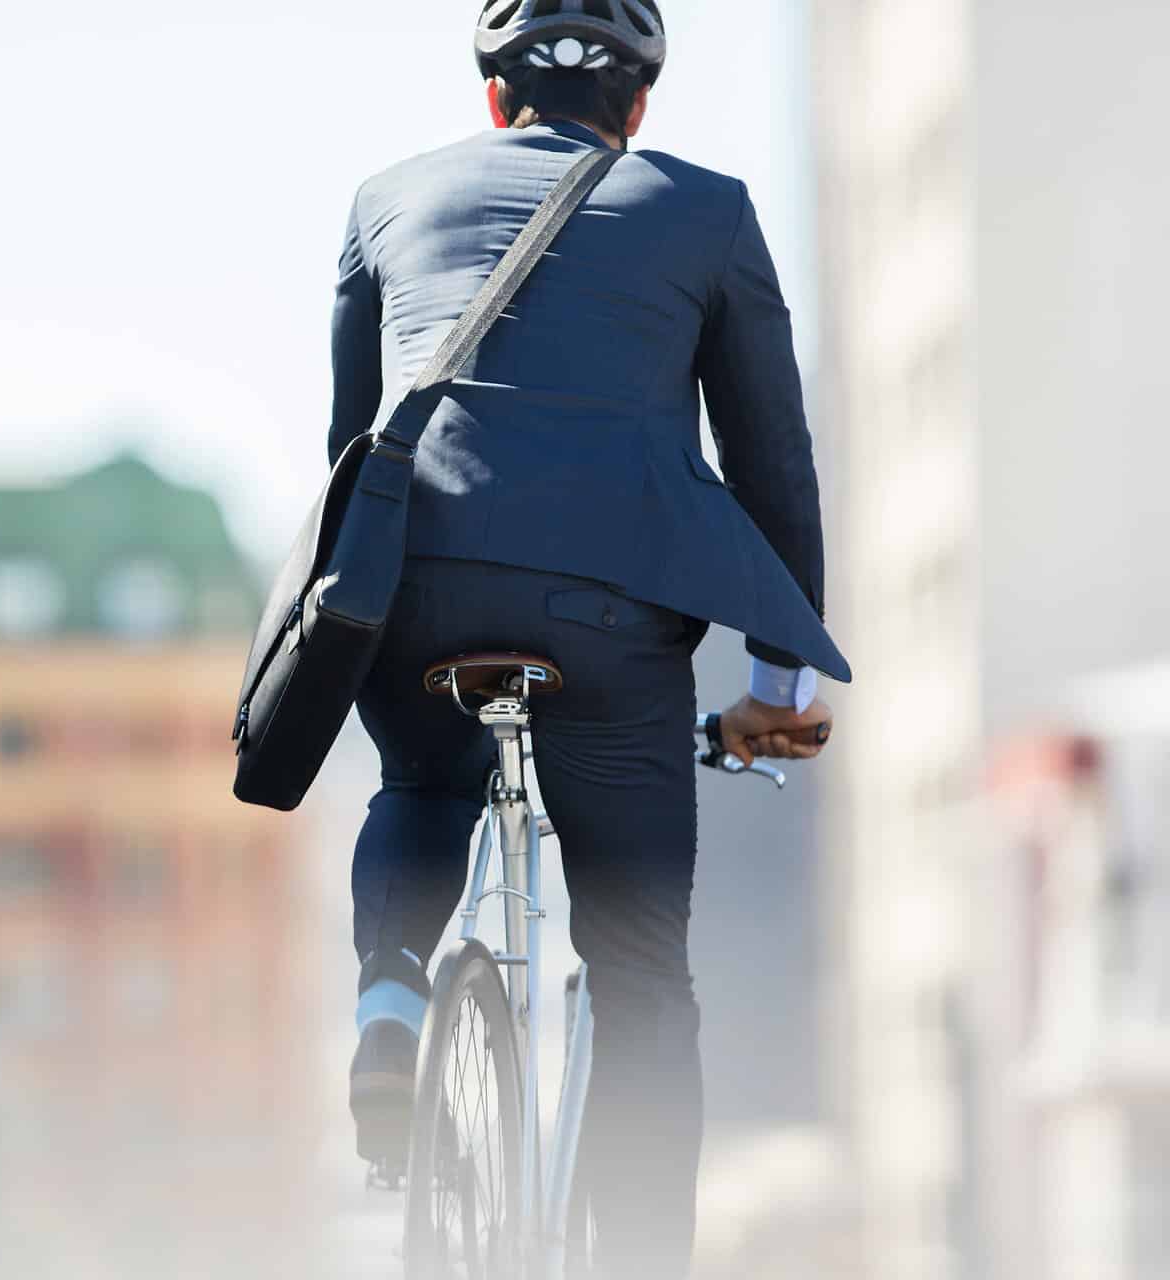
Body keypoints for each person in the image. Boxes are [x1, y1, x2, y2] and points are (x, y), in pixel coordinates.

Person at [335, 2, 849, 1275]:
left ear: (497, 100)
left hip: (411, 593)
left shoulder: (384, 202)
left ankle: (394, 993)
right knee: (636, 974)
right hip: (610, 617)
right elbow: (771, 458)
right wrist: (773, 682)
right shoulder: (709, 212)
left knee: (417, 776)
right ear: (639, 108)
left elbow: (355, 448)